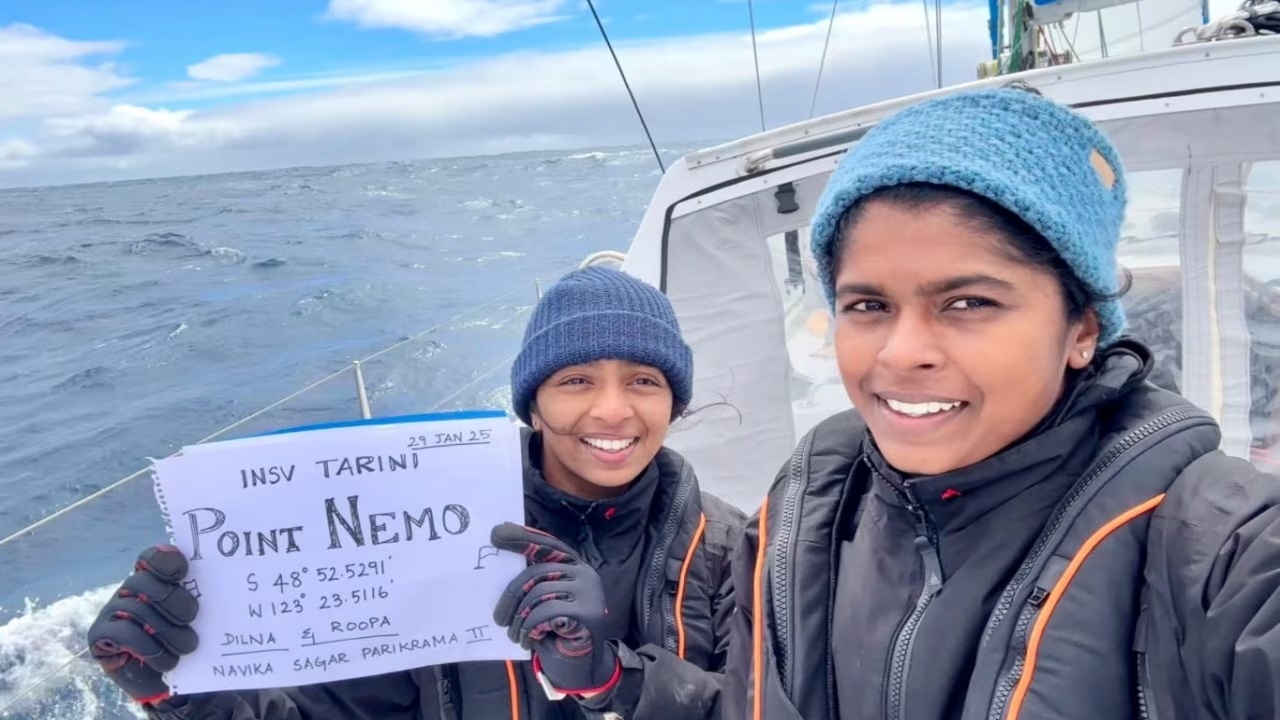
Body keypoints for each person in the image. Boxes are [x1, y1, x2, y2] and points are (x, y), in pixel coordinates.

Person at [721, 87, 1280, 720]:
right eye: (868, 306)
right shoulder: (801, 513)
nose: (902, 354)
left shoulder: (1223, 550)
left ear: (1083, 330)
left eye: (969, 303)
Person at [88, 266, 745, 720]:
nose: (612, 410)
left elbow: (768, 703)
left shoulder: (733, 549)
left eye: (644, 381)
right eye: (575, 380)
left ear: (674, 401)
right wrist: (177, 691)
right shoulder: (422, 530)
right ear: (533, 404)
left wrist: (615, 679)